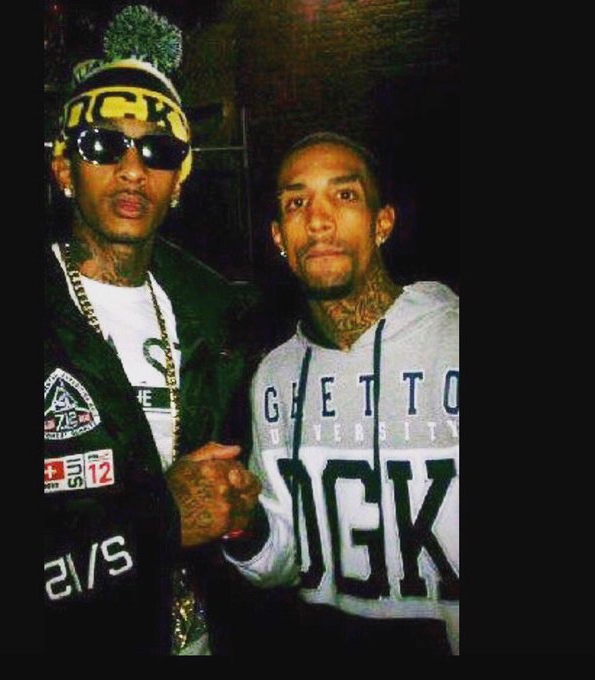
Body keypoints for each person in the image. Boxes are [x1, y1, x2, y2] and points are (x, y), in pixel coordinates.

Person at [44, 5, 260, 655]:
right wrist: (160, 521)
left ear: (179, 182)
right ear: (64, 169)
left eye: (158, 150)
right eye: (104, 145)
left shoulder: (221, 320)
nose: (133, 169)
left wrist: (241, 516)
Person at [224, 132, 459, 655]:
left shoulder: (454, 342)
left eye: (345, 195)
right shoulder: (273, 376)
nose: (318, 220)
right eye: (296, 202)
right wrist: (245, 525)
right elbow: (285, 559)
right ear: (278, 237)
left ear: (383, 223)